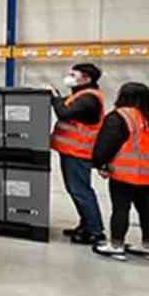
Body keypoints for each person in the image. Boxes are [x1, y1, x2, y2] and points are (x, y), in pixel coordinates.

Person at [91, 82, 149, 261]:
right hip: (148, 175)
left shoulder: (120, 117)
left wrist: (100, 164)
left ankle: (116, 245)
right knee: (146, 210)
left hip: (123, 173)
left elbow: (107, 144)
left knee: (120, 209)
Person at [48, 63, 106, 245]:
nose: (69, 77)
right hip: (71, 151)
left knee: (81, 191)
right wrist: (57, 97)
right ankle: (86, 225)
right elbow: (66, 106)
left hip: (79, 152)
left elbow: (64, 113)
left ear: (87, 79)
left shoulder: (89, 98)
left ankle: (95, 231)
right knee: (76, 190)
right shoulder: (80, 95)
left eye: (74, 75)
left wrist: (54, 97)